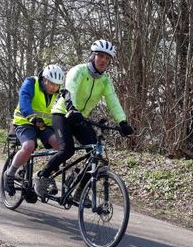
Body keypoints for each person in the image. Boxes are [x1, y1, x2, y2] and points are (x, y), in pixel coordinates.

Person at [35, 39, 134, 198]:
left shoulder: (105, 81)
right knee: (67, 150)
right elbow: (70, 90)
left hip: (81, 118)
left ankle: (79, 189)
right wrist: (71, 108)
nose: (103, 60)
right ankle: (42, 176)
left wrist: (122, 121)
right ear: (92, 56)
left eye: (107, 58)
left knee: (96, 153)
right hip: (63, 113)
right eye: (100, 56)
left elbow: (113, 101)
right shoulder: (78, 71)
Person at [3, 64, 65, 196]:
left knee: (60, 147)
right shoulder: (31, 83)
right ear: (44, 79)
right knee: (28, 146)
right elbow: (24, 99)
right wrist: (31, 117)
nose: (54, 87)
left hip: (44, 126)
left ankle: (46, 175)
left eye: (57, 85)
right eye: (51, 84)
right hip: (25, 122)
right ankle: (10, 174)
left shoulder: (59, 92)